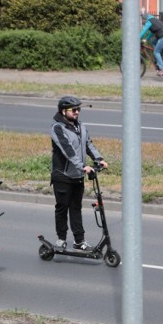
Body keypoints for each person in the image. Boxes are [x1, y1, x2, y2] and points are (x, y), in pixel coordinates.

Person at [50, 96, 108, 251]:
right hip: (62, 174)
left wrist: (99, 159)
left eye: (78, 110)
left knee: (76, 208)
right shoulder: (57, 128)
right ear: (64, 111)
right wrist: (82, 166)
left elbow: (88, 144)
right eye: (74, 110)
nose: (77, 112)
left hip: (77, 175)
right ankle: (61, 238)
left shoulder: (81, 126)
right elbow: (67, 150)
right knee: (62, 207)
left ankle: (79, 240)